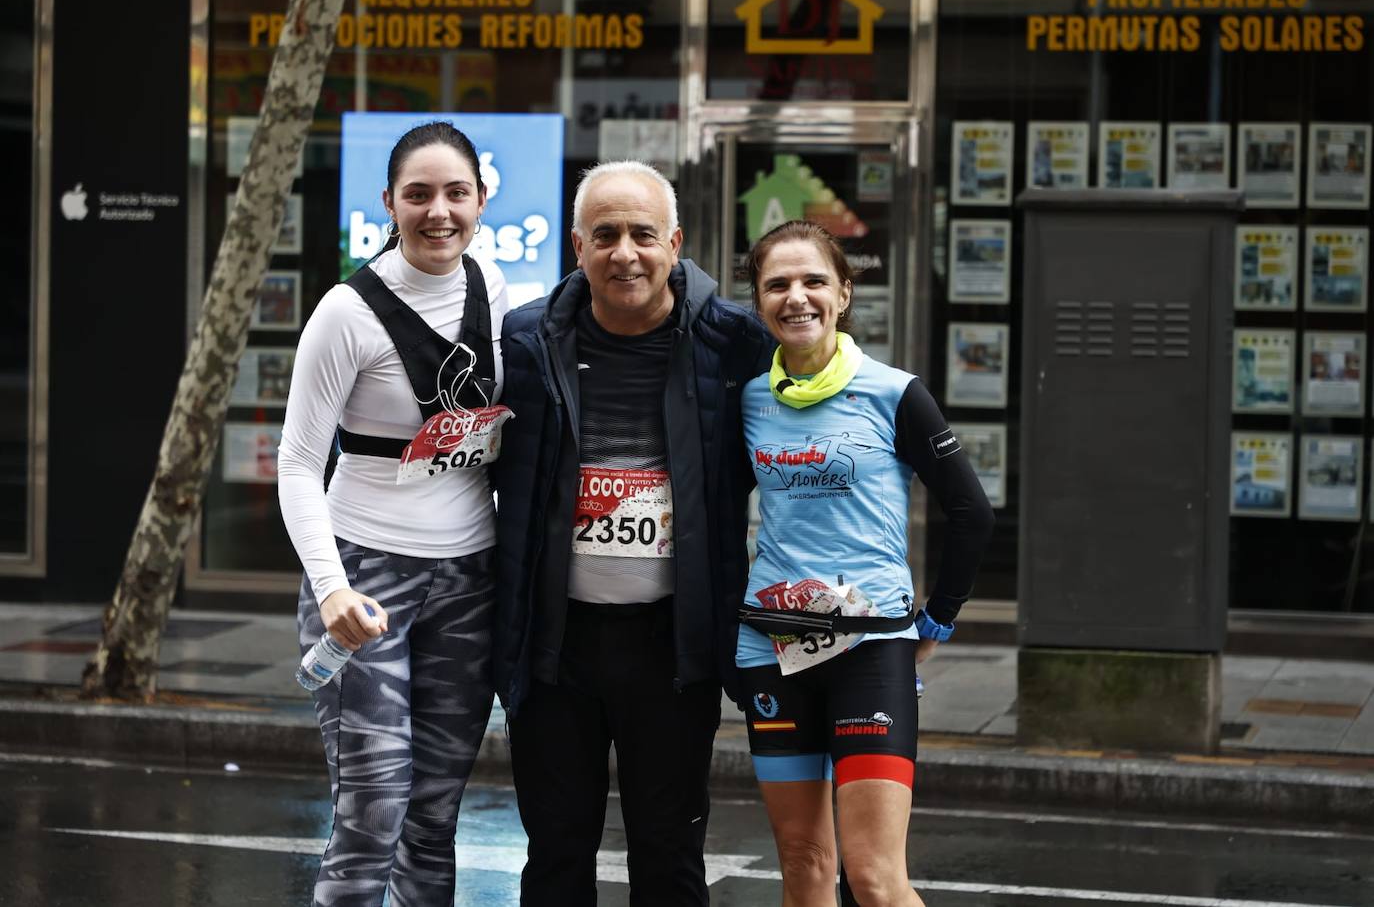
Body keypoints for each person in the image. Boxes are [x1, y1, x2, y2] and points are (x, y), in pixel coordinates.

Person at [491, 160, 774, 906]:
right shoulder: (525, 342)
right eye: (606, 235)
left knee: (669, 857)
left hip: (672, 653)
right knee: (555, 855)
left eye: (643, 234)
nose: (626, 253)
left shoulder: (735, 345)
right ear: (577, 247)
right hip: (555, 653)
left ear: (674, 243)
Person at [277, 120, 509, 907]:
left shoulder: (494, 285)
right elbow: (299, 464)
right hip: (363, 578)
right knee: (371, 812)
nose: (438, 211)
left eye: (456, 193)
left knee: (434, 816)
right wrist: (333, 589)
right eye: (418, 194)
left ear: (481, 200)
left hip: (469, 581)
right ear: (389, 202)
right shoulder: (347, 313)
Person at [735, 221, 994, 906]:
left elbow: (971, 512)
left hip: (870, 644)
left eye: (814, 281)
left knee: (875, 879)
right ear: (758, 302)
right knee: (802, 862)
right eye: (778, 284)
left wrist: (936, 621)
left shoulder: (894, 393)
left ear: (843, 294)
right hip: (773, 644)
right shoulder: (751, 400)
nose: (797, 297)